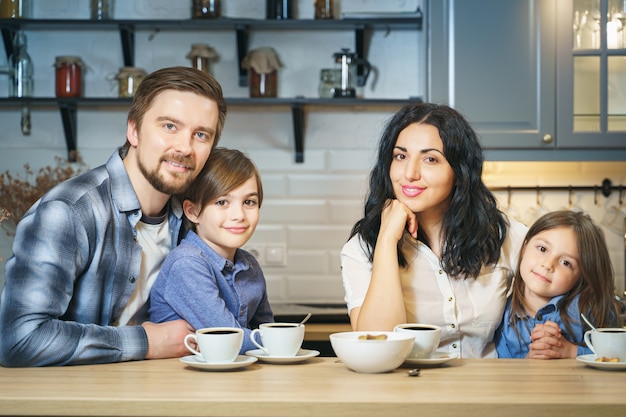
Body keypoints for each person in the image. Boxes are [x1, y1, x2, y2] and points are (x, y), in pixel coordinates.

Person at [0, 66, 228, 367]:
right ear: (133, 130)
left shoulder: (192, 219)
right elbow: (18, 339)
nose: (185, 148)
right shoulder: (69, 212)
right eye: (170, 126)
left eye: (201, 134)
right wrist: (148, 342)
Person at [340, 102, 528, 358]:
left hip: (488, 391)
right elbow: (376, 348)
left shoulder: (506, 236)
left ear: (459, 172)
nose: (410, 173)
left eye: (430, 159)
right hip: (405, 393)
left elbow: (565, 300)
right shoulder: (361, 249)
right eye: (400, 156)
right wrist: (386, 240)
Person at [149, 147, 274, 354]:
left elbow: (266, 331)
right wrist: (279, 338)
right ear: (193, 211)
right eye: (222, 202)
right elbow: (230, 340)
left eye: (249, 202)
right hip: (176, 380)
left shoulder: (250, 265)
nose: (239, 215)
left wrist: (271, 339)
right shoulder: (187, 263)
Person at [495, 210, 623, 359]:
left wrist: (571, 352)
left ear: (582, 275)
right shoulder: (501, 316)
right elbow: (502, 373)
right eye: (542, 249)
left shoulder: (590, 308)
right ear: (524, 247)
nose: (548, 265)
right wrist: (529, 361)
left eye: (566, 262)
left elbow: (619, 356)